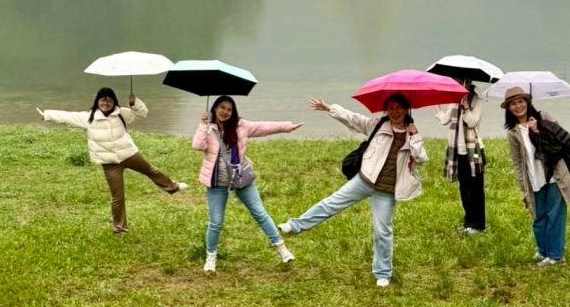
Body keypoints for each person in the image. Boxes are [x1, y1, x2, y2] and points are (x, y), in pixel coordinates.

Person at [279, 94, 428, 287]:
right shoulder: (378, 125)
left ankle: (383, 273)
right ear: (385, 110)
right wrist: (329, 108)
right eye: (390, 107)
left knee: (382, 232)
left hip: (386, 191)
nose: (395, 111)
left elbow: (421, 158)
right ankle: (294, 226)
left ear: (407, 109)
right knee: (331, 203)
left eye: (399, 107)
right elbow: (353, 118)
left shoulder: (411, 134)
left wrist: (414, 135)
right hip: (364, 180)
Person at [38, 88, 186, 234]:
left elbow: (141, 114)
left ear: (114, 101)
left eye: (109, 100)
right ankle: (119, 229)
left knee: (151, 170)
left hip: (129, 154)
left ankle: (173, 187)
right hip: (109, 162)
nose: (106, 103)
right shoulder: (88, 118)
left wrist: (134, 104)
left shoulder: (121, 113)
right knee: (117, 197)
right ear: (97, 101)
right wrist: (47, 114)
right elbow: (67, 117)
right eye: (103, 100)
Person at [192, 95, 303, 272]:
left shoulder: (241, 126)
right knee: (216, 222)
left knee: (260, 213)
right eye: (221, 107)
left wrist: (287, 126)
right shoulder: (208, 128)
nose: (224, 112)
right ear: (214, 108)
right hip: (216, 184)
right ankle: (210, 257)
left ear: (233, 112)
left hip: (240, 180)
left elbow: (264, 127)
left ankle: (281, 249)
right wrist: (203, 124)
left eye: (229, 109)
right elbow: (197, 146)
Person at [502, 86, 570, 266]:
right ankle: (543, 250)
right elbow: (518, 163)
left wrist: (538, 131)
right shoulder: (513, 131)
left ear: (527, 102)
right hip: (533, 179)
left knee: (554, 216)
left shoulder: (544, 117)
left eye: (521, 101)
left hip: (554, 176)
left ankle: (556, 256)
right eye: (513, 103)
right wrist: (523, 189)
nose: (518, 106)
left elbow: (560, 142)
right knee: (538, 216)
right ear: (509, 108)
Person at [435, 79, 486, 234]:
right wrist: (436, 103)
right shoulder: (453, 101)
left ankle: (478, 224)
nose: (458, 83)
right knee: (464, 188)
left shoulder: (478, 100)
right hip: (458, 151)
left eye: (460, 80)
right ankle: (468, 222)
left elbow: (471, 122)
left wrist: (464, 106)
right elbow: (445, 120)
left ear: (468, 81)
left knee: (476, 188)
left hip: (474, 150)